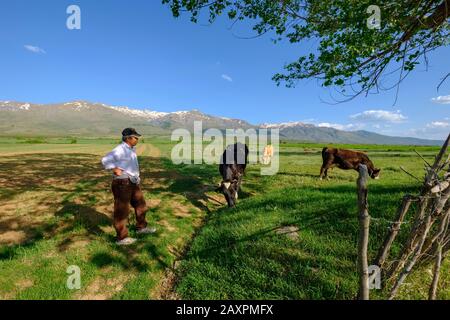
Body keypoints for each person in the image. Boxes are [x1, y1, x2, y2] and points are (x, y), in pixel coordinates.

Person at [101, 128, 156, 245]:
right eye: (135, 137)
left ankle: (141, 228)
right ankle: (121, 238)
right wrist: (115, 169)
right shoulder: (120, 149)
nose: (137, 139)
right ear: (128, 138)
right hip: (122, 183)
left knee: (141, 205)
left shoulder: (131, 149)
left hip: (132, 182)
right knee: (122, 210)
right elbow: (105, 160)